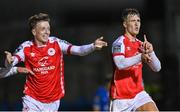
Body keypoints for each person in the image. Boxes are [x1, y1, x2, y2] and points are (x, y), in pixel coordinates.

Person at [5, 13, 107, 111]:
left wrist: (92, 46)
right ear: (34, 32)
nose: (47, 32)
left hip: (53, 100)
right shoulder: (26, 47)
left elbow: (79, 50)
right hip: (32, 100)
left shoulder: (56, 43)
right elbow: (11, 63)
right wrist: (9, 61)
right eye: (43, 29)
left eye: (48, 29)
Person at [110, 8, 161, 111]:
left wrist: (151, 52)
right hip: (121, 97)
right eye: (133, 21)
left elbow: (157, 68)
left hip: (139, 94)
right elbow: (120, 64)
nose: (136, 24)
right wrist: (140, 57)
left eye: (138, 21)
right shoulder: (119, 43)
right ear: (125, 24)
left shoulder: (141, 45)